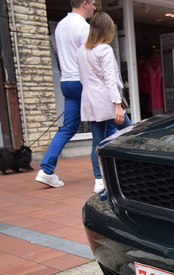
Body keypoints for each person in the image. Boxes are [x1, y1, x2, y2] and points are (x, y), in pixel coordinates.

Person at [36, 0, 96, 188]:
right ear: (84, 3)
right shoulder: (84, 28)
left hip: (67, 82)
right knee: (105, 126)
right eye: (93, 3)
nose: (94, 7)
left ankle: (46, 169)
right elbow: (90, 60)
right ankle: (101, 179)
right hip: (82, 81)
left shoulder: (61, 25)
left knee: (68, 128)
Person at [77, 11, 132, 193]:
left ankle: (99, 179)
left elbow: (83, 78)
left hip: (90, 101)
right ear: (107, 30)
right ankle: (129, 171)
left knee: (97, 141)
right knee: (130, 133)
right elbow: (109, 79)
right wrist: (117, 105)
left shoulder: (81, 50)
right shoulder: (104, 50)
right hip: (106, 101)